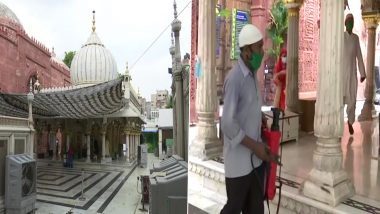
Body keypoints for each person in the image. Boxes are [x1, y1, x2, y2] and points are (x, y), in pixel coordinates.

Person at [220, 24, 280, 214]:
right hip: (238, 165)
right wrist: (256, 146)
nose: (262, 52)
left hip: (255, 163)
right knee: (233, 209)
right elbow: (227, 123)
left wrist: (259, 117)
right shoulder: (235, 78)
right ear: (246, 52)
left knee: (255, 209)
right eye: (259, 48)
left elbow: (248, 107)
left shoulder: (253, 76)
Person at [343, 13, 366, 135]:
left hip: (352, 74)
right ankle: (336, 125)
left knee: (352, 100)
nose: (350, 24)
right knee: (340, 100)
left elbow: (359, 57)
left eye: (352, 21)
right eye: (348, 21)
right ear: (345, 23)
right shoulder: (341, 37)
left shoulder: (356, 38)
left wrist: (362, 73)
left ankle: (350, 122)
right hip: (341, 75)